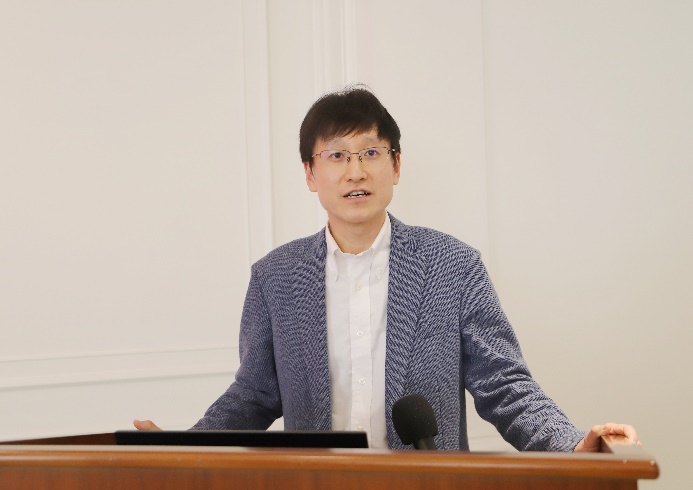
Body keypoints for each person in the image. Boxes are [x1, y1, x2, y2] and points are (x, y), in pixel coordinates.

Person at [135, 85, 638, 452]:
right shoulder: (275, 277)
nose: (355, 171)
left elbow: (504, 384)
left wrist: (573, 442)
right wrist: (184, 447)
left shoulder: (453, 266)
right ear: (310, 173)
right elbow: (253, 395)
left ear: (396, 166)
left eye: (371, 153)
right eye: (336, 155)